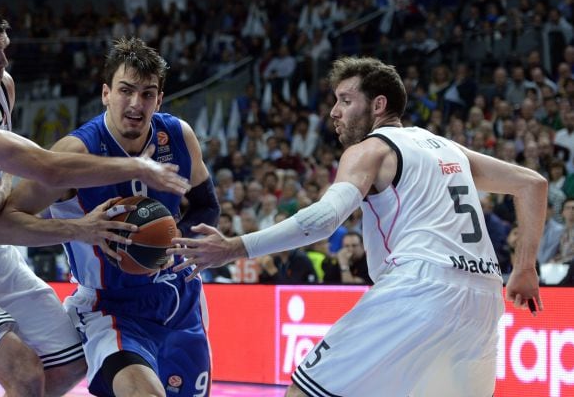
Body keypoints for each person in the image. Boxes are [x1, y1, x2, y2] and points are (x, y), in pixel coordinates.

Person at [168, 57, 546, 397]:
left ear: (378, 105)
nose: (334, 112)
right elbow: (532, 184)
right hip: (483, 298)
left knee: (302, 393)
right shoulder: (448, 147)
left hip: (418, 290)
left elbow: (324, 219)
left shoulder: (372, 148)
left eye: (345, 101)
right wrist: (525, 267)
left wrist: (234, 247)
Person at [0, 2, 189, 397]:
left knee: (73, 360)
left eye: (4, 49)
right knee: (24, 372)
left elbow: (7, 171)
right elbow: (46, 168)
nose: (3, 62)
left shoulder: (2, 88)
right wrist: (137, 169)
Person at [0, 37, 220, 397]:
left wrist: (180, 244)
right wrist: (80, 229)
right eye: (126, 90)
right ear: (105, 94)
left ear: (159, 100)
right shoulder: (74, 151)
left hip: (181, 303)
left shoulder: (177, 135)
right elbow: (2, 226)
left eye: (147, 94)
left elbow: (206, 205)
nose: (136, 103)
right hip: (111, 309)